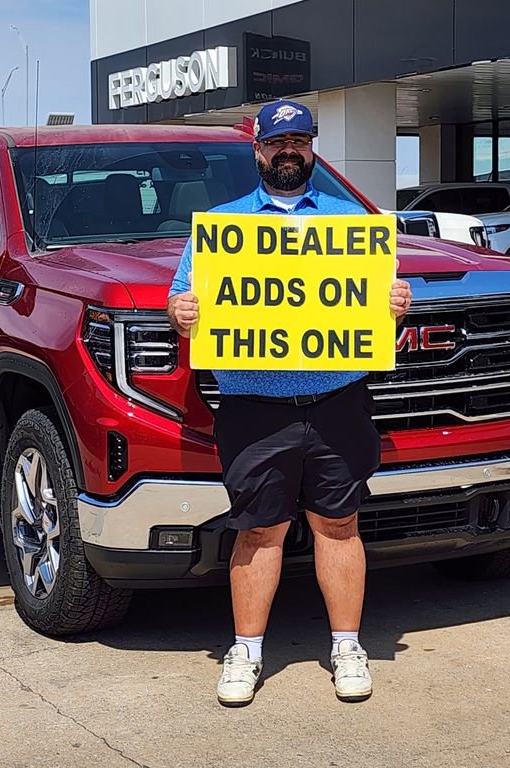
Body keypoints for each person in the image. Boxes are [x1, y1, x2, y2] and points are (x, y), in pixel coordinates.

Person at [166, 99, 412, 707]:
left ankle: (347, 646)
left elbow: (382, 301)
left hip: (337, 400)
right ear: (257, 151)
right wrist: (182, 311)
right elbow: (180, 301)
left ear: (312, 148)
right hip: (255, 408)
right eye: (278, 142)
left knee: (340, 525)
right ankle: (245, 652)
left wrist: (397, 301)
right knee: (259, 531)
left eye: (300, 140)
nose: (289, 151)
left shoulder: (350, 221)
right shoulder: (221, 229)